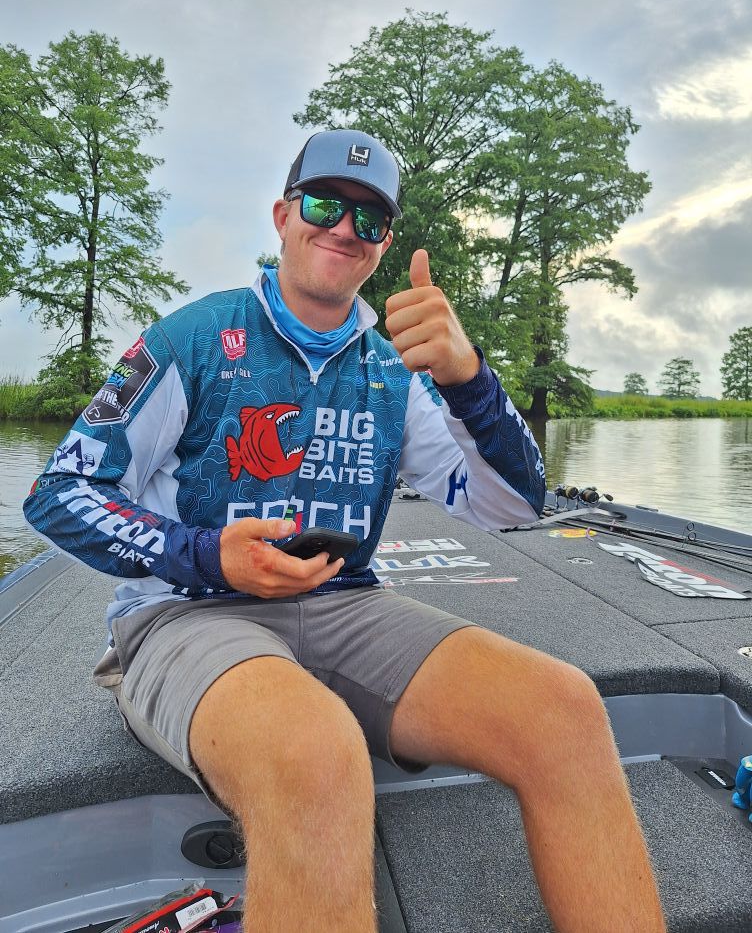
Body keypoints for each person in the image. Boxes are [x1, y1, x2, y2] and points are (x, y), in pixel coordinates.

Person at [24, 128, 665, 933]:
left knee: (563, 709)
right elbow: (59, 491)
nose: (344, 228)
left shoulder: (393, 369)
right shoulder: (191, 338)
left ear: (384, 244)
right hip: (187, 612)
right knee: (315, 751)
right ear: (283, 216)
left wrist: (470, 379)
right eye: (325, 205)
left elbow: (512, 506)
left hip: (347, 603)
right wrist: (205, 554)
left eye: (369, 218)